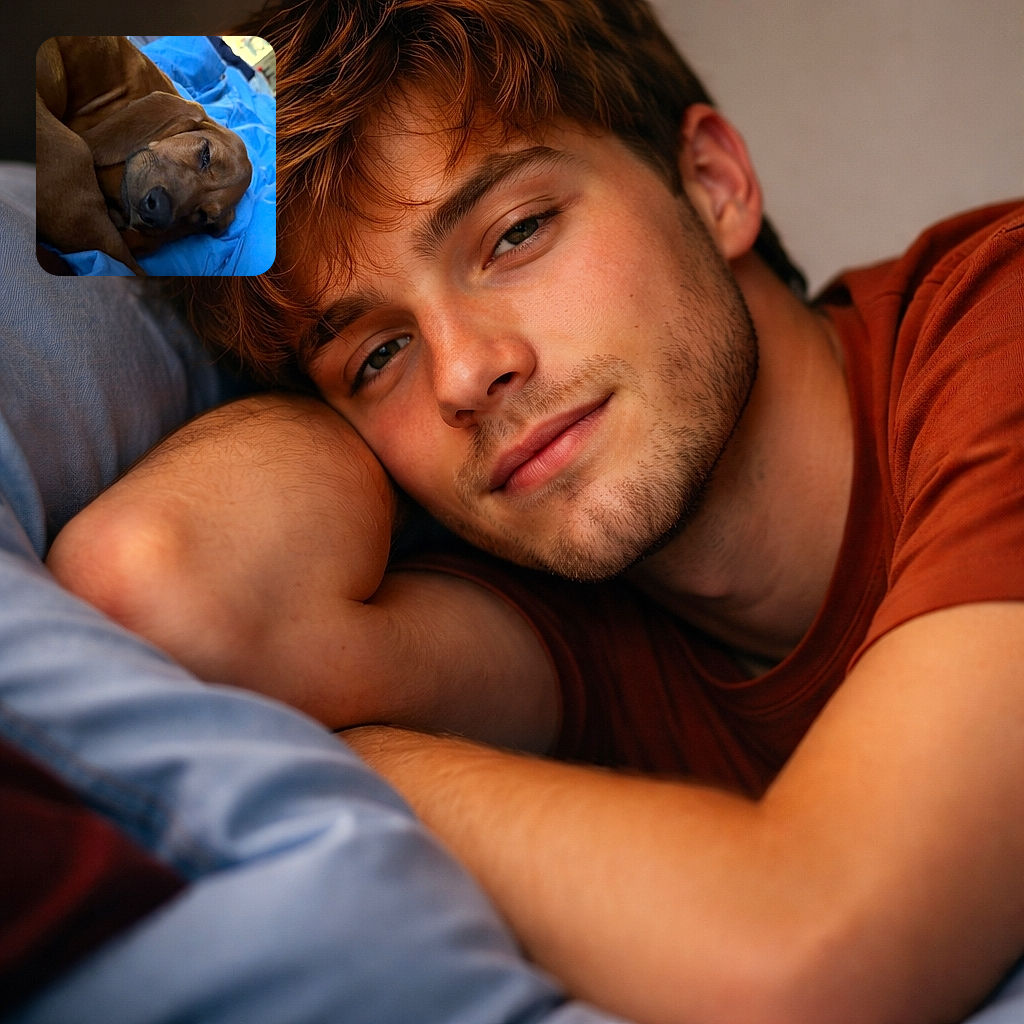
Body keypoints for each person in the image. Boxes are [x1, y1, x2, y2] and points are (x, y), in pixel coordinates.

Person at [46, 1, 1024, 1022]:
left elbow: (813, 953)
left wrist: (338, 762)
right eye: (380, 354)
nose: (466, 373)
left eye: (516, 233)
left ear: (714, 185)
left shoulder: (998, 319)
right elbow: (157, 589)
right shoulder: (572, 603)